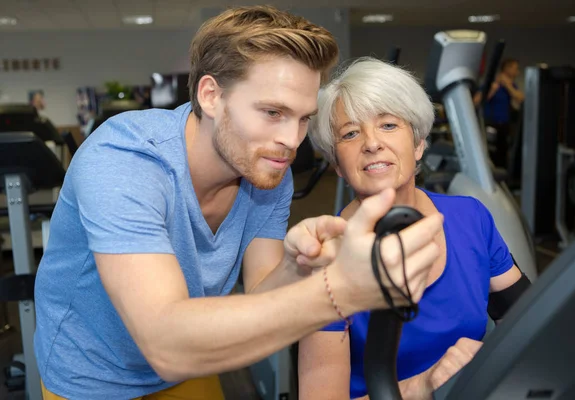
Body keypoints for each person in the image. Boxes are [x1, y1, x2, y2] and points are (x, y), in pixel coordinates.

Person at [33, 7, 444, 400]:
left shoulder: (265, 167)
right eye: (272, 112)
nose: (291, 140)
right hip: (94, 368)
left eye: (303, 118)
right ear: (211, 95)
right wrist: (339, 292)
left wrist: (297, 266)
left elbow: (262, 293)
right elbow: (165, 344)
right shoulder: (125, 160)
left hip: (189, 349)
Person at [298, 57, 532, 400]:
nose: (372, 143)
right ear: (337, 164)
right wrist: (423, 386)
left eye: (388, 125)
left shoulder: (470, 217)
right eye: (350, 133)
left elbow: (525, 319)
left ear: (419, 143)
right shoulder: (324, 256)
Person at [474, 58, 525, 169]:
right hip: (490, 124)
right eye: (515, 69)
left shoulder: (510, 86)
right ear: (507, 69)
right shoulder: (491, 84)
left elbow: (520, 98)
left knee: (503, 156)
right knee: (490, 154)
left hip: (504, 125)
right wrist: (492, 89)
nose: (518, 72)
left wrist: (507, 85)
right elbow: (476, 101)